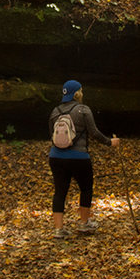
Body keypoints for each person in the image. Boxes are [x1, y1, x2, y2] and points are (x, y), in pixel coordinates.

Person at [48, 79, 119, 238]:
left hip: (56, 157)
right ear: (77, 93)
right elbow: (94, 133)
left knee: (59, 192)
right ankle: (84, 224)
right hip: (79, 157)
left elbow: (51, 135)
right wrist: (109, 142)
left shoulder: (55, 111)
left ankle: (59, 230)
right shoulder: (83, 110)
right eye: (81, 90)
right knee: (86, 188)